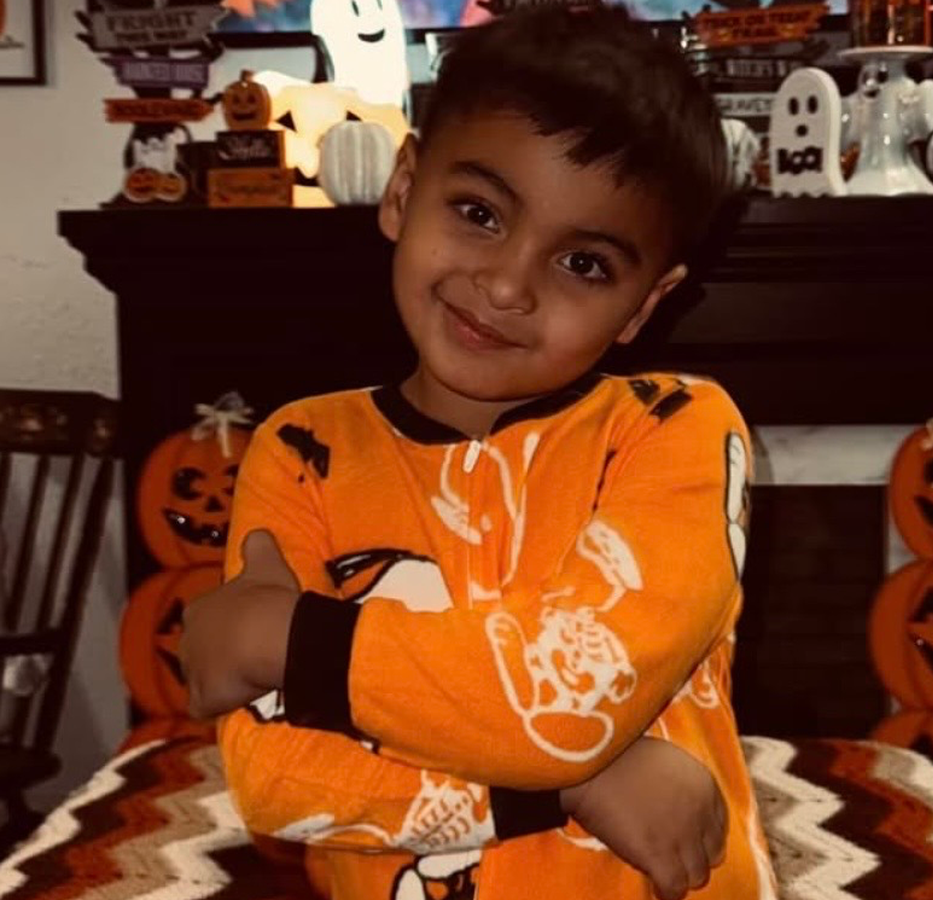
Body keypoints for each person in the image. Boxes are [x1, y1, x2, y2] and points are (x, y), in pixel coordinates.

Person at [180, 5, 773, 899]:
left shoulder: (674, 429)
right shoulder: (302, 450)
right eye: (479, 213)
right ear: (402, 189)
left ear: (644, 306)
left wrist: (291, 640)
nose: (505, 286)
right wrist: (571, 787)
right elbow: (274, 783)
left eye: (584, 264)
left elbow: (566, 701)